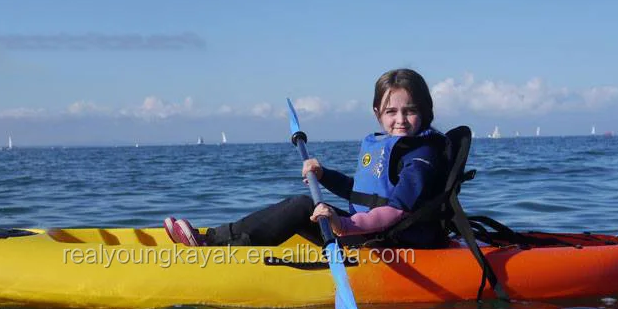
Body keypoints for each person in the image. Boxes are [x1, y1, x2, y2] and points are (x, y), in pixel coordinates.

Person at [164, 68, 451, 249]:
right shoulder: (389, 145)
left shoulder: (420, 156)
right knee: (305, 208)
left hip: (394, 243)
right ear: (377, 113)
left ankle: (211, 242)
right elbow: (363, 193)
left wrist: (345, 225)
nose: (400, 120)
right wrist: (324, 174)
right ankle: (227, 241)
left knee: (303, 207)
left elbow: (395, 211)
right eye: (391, 112)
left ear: (425, 111)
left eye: (409, 111)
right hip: (371, 231)